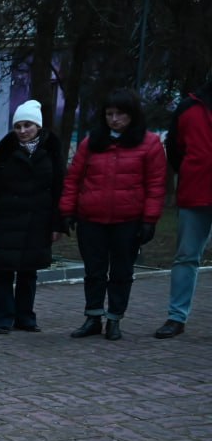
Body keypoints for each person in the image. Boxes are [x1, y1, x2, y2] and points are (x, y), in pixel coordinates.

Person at [60, 88, 167, 341]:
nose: (114, 119)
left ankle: (115, 318)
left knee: (121, 272)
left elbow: (155, 185)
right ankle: (93, 317)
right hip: (91, 218)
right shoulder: (91, 142)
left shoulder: (149, 143)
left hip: (128, 220)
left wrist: (149, 220)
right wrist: (67, 210)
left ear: (132, 115)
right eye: (109, 114)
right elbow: (73, 179)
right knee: (94, 271)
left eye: (120, 114)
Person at [0, 99, 66, 334]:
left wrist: (58, 224)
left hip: (37, 221)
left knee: (29, 271)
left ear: (38, 126)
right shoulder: (6, 150)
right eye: (18, 126)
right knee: (4, 271)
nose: (22, 131)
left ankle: (25, 317)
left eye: (28, 125)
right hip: (5, 220)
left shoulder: (51, 151)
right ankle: (2, 318)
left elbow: (60, 188)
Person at [155, 76, 212, 339]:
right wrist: (190, 171)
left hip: (195, 188)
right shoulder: (189, 107)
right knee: (186, 256)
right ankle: (176, 317)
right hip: (195, 192)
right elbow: (175, 147)